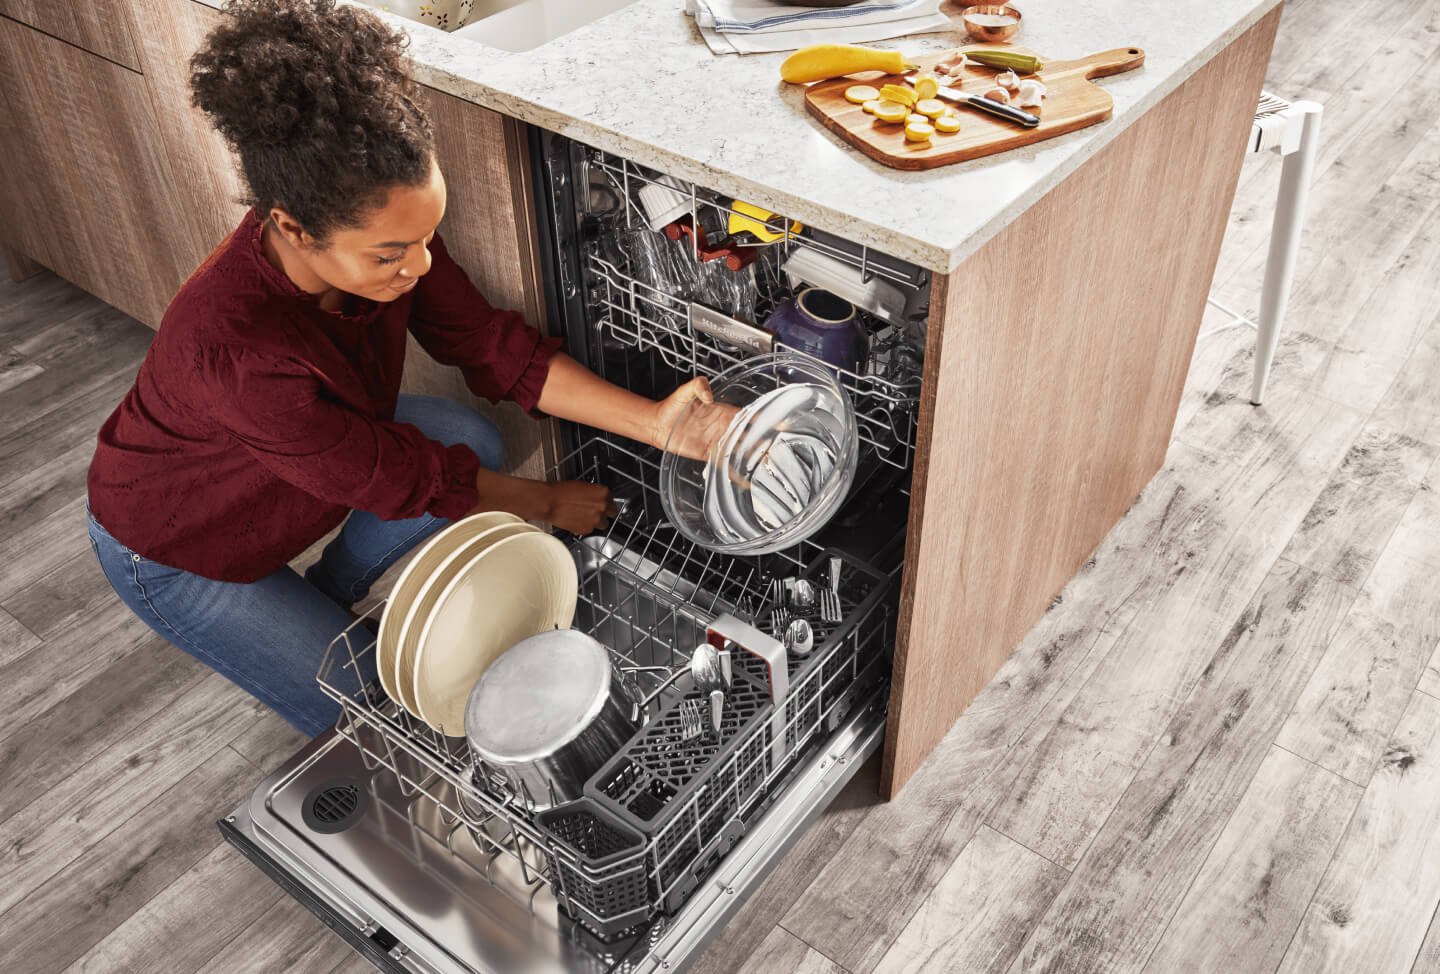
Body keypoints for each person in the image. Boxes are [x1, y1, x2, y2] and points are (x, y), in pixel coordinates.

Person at [85, 0, 718, 736]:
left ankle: (325, 594)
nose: (418, 268)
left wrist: (659, 423)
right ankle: (299, 619)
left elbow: (489, 345)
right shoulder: (234, 352)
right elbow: (397, 478)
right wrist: (542, 504)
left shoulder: (384, 230)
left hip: (314, 460)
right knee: (372, 713)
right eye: (391, 255)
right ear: (292, 226)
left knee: (468, 440)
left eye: (425, 239)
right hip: (178, 541)